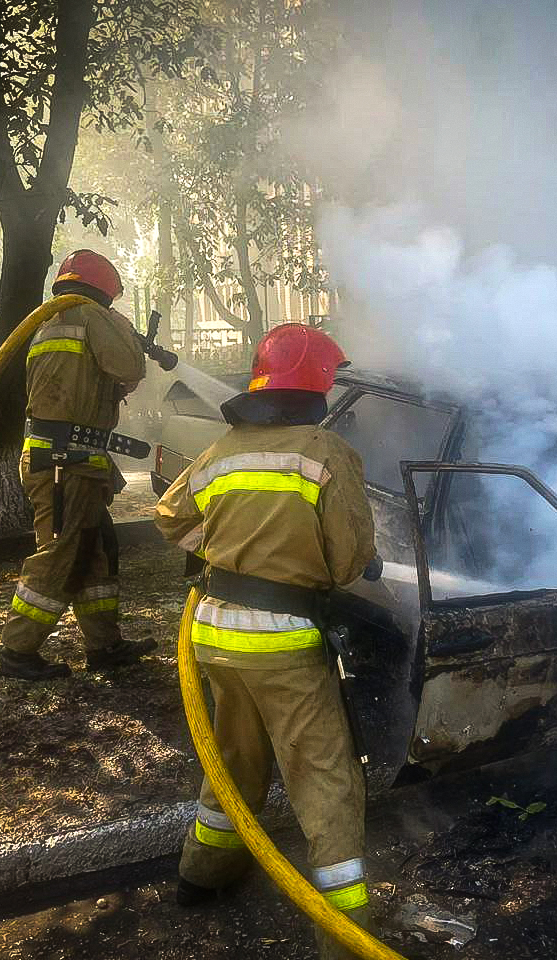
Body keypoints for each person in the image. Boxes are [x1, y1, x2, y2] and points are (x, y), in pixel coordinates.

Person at [154, 323, 380, 959]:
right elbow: (347, 561)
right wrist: (306, 566)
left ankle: (201, 876)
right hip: (283, 645)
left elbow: (169, 517)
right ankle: (345, 938)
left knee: (233, 761)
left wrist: (228, 559)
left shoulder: (223, 449)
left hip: (214, 636)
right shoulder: (325, 452)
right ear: (318, 387)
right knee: (325, 781)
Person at [0, 249, 157, 681]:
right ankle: (17, 650)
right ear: (105, 292)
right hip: (65, 463)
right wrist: (122, 329)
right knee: (61, 552)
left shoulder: (50, 323)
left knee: (93, 552)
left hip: (66, 458)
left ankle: (105, 646)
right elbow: (129, 365)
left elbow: (76, 386)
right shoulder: (91, 317)